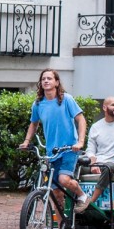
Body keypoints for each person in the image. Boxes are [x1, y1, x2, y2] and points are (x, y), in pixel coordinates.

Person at [19, 69, 89, 215]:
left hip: (70, 149)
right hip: (52, 152)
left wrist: (80, 142)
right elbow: (34, 123)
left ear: (56, 82)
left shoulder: (66, 100)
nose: (46, 81)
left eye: (49, 78)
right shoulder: (38, 104)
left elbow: (80, 119)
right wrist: (26, 141)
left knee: (64, 180)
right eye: (43, 79)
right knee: (56, 193)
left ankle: (82, 196)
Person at [75, 96, 114, 213]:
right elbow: (90, 149)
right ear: (105, 107)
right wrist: (93, 162)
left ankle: (90, 202)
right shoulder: (96, 127)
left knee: (107, 167)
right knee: (74, 165)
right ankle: (74, 200)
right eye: (113, 105)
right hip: (97, 163)